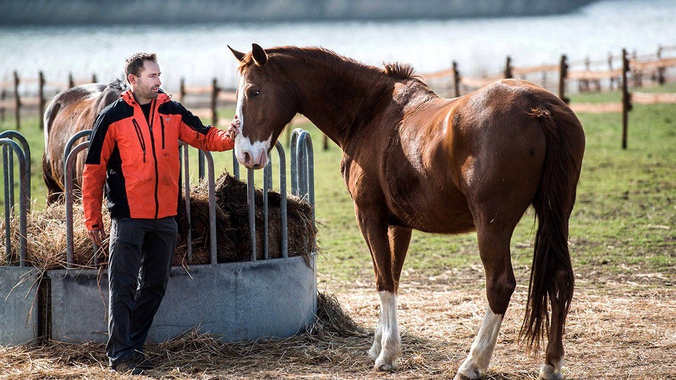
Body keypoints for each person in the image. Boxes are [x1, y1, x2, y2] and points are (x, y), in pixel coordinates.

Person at [82, 52, 239, 375]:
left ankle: (132, 347)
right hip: (127, 217)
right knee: (123, 287)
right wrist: (92, 218)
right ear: (134, 80)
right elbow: (94, 170)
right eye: (152, 76)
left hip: (165, 216)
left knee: (155, 285)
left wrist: (230, 136)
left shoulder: (172, 110)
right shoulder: (113, 117)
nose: (159, 81)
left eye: (159, 75)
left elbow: (204, 136)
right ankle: (120, 355)